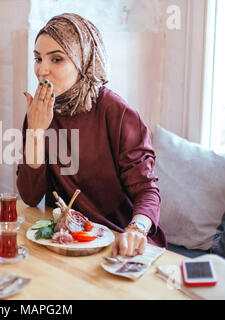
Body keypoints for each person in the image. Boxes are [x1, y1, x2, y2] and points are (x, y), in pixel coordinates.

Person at [17, 13, 167, 257]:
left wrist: (136, 230)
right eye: (38, 58)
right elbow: (31, 196)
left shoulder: (116, 112)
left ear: (84, 60)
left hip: (122, 243)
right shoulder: (39, 112)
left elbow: (147, 191)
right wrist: (35, 132)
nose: (42, 70)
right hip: (68, 244)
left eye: (56, 59)